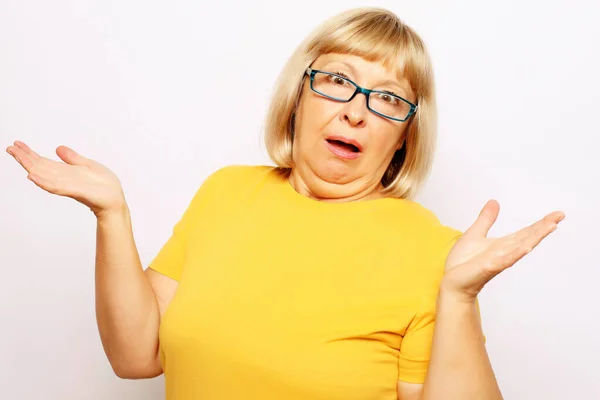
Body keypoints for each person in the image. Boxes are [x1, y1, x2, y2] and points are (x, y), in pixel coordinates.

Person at [6, 7, 564, 400]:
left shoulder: (437, 254)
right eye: (338, 81)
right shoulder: (226, 192)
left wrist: (460, 300)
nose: (356, 111)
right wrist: (112, 215)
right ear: (298, 98)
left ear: (404, 137)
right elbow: (136, 358)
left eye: (389, 98)